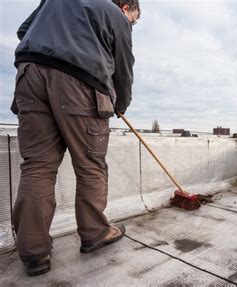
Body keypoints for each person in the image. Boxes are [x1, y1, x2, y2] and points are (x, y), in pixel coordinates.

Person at [10, 0, 140, 276]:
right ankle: (94, 232)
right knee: (90, 164)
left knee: (37, 165)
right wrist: (122, 103)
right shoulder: (115, 15)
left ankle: (34, 253)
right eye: (134, 21)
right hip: (81, 82)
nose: (132, 25)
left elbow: (24, 31)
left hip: (30, 74)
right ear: (126, 7)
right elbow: (124, 68)